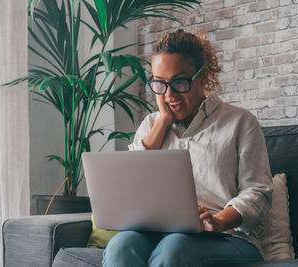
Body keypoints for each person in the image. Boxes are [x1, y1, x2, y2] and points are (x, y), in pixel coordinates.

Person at [102, 29, 273, 267]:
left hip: (226, 237)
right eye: (159, 84)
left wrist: (219, 220)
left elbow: (258, 191)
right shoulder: (151, 125)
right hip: (156, 233)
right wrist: (162, 121)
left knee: (174, 247)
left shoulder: (240, 122)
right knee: (121, 246)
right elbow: (131, 187)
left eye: (179, 82)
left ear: (204, 76)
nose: (169, 94)